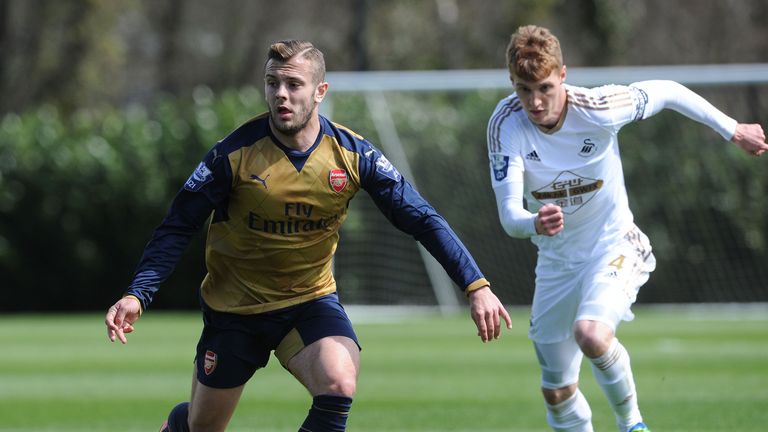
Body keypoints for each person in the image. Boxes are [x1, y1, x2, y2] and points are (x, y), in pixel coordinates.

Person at [105, 39, 511, 432]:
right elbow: (178, 225)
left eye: (293, 84)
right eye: (272, 83)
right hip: (235, 312)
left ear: (320, 92)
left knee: (339, 383)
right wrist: (138, 293)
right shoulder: (232, 155)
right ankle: (181, 423)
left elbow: (420, 217)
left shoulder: (353, 155)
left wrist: (475, 284)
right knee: (202, 426)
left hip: (309, 302)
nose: (280, 94)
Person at [487, 25, 767, 432]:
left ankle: (632, 424)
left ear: (563, 75)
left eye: (544, 87)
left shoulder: (598, 106)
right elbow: (510, 217)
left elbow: (668, 90)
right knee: (557, 392)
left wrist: (732, 129)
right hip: (557, 262)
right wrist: (534, 222)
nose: (534, 101)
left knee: (592, 334)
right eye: (523, 89)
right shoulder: (505, 124)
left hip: (614, 244)